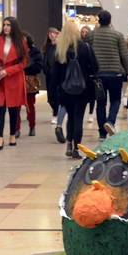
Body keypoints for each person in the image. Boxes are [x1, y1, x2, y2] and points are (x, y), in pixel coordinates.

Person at [50, 19, 98, 158]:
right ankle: (77, 148)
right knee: (78, 118)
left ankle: (69, 144)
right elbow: (95, 67)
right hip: (83, 89)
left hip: (65, 90)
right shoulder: (85, 47)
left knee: (70, 117)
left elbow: (55, 74)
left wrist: (54, 92)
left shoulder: (60, 49)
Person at [0, 16, 29, 150]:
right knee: (0, 110)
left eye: (8, 25)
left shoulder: (21, 41)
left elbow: (24, 62)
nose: (5, 27)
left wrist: (8, 71)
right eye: (4, 24)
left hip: (14, 79)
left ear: (14, 27)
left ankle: (12, 135)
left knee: (14, 110)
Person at [90, 10, 128, 140]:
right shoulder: (118, 35)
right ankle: (110, 122)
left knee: (100, 102)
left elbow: (88, 53)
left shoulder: (91, 35)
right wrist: (126, 71)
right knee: (115, 100)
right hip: (115, 74)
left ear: (99, 20)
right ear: (110, 20)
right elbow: (124, 55)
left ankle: (102, 133)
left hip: (98, 75)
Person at [21, 33, 44, 136]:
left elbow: (38, 67)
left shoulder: (35, 51)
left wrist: (26, 67)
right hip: (17, 80)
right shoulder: (16, 50)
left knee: (30, 105)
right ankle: (16, 129)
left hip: (30, 82)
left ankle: (32, 126)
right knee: (16, 106)